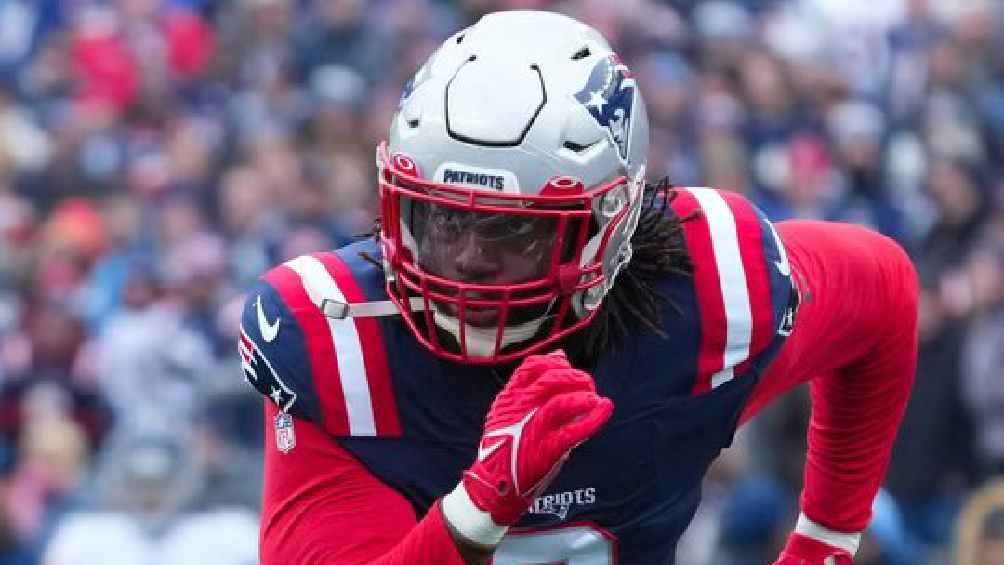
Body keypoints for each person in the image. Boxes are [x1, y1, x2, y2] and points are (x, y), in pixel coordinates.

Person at [239, 11, 918, 565]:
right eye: (441, 219)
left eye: (512, 231)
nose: (467, 260)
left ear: (608, 222)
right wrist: (476, 508)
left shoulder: (703, 297)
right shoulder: (339, 343)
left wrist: (826, 539)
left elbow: (884, 295)